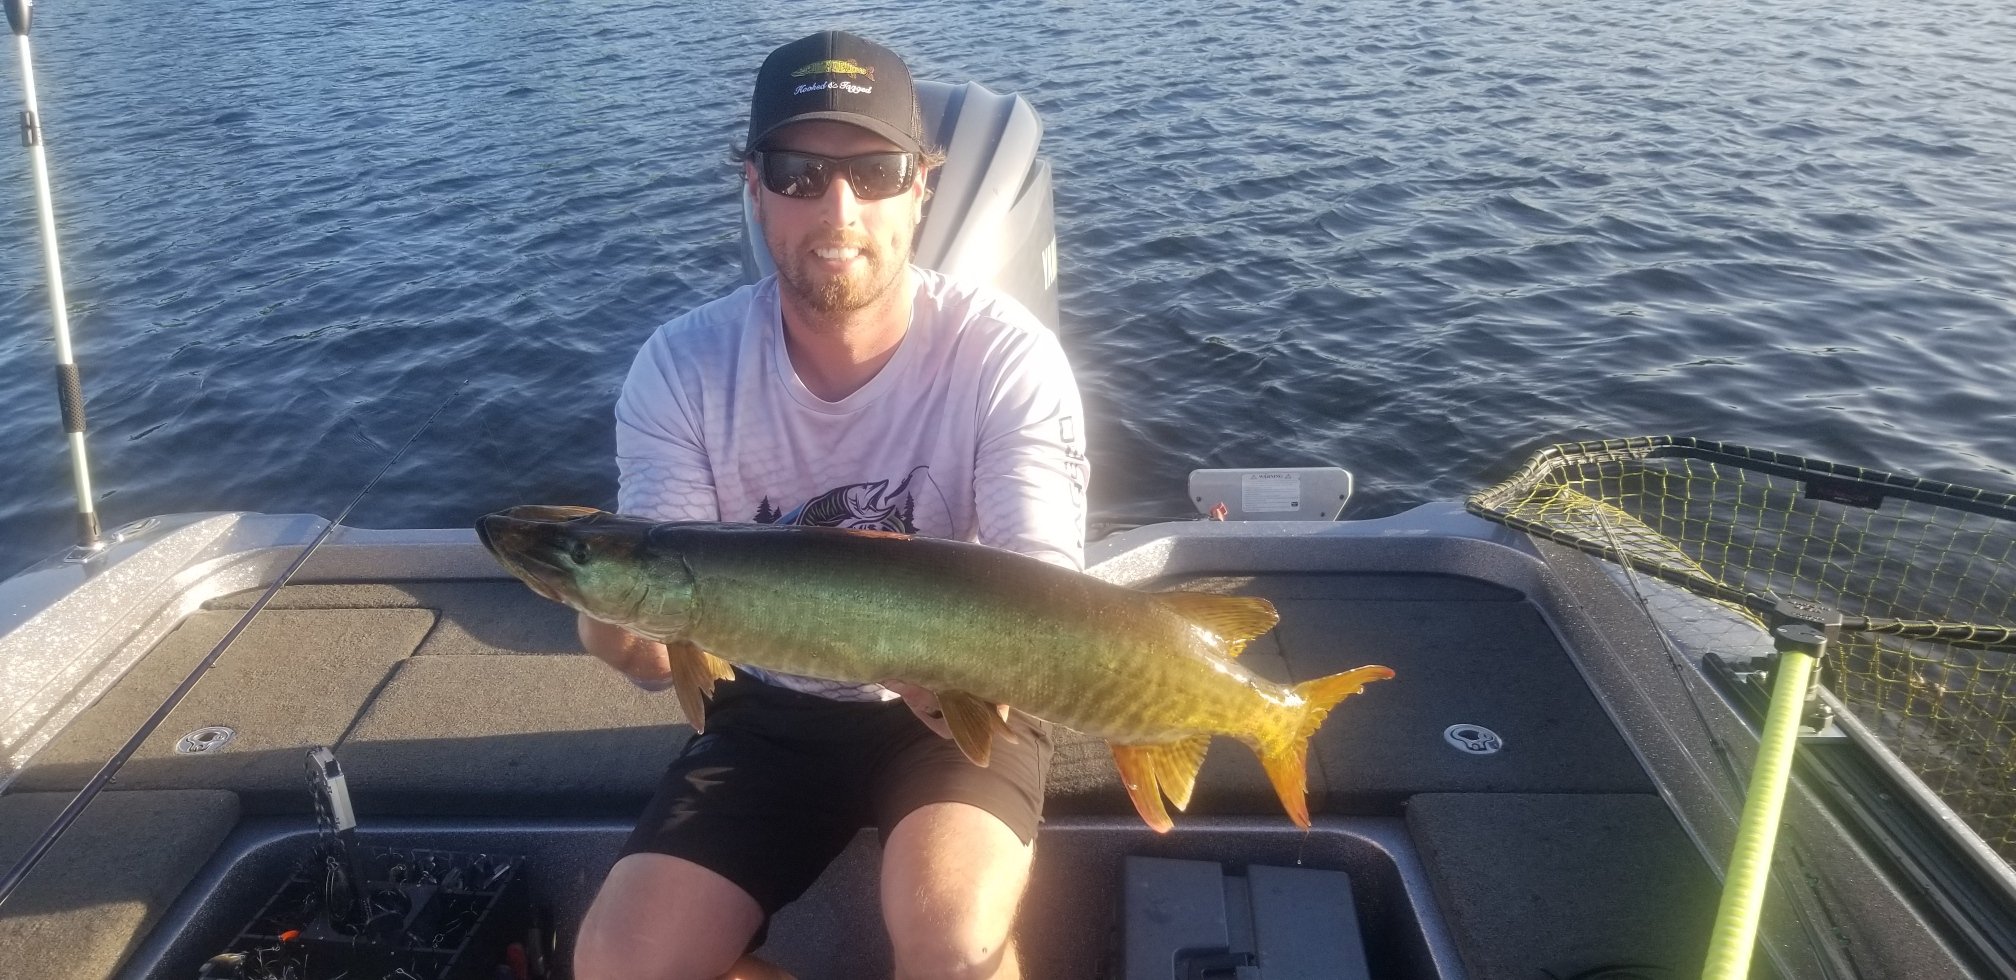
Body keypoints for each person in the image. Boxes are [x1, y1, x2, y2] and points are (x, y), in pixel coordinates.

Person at [570, 30, 1088, 980]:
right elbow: (659, 637)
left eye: (875, 170)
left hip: (957, 699)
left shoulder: (1003, 358)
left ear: (923, 185)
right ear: (754, 187)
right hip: (768, 707)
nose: (838, 208)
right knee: (619, 966)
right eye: (799, 172)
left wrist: (974, 677)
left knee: (959, 951)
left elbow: (1045, 591)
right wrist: (608, 625)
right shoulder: (681, 368)